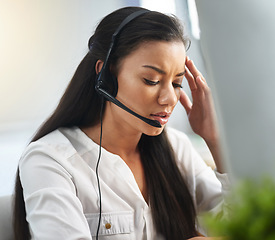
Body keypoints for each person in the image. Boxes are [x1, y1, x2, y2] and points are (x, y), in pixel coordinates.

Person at [13, 6, 229, 240]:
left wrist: (216, 141)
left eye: (177, 83)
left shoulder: (177, 147)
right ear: (105, 75)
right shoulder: (50, 160)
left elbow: (240, 226)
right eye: (151, 80)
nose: (169, 98)